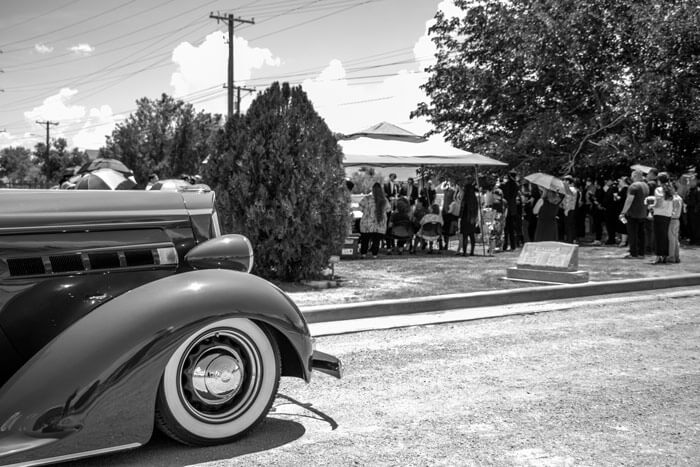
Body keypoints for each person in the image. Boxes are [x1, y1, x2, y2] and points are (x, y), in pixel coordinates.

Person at [619, 170, 649, 259]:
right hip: (643, 213)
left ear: (635, 175)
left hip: (633, 213)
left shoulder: (633, 186)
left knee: (633, 234)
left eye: (632, 176)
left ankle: (633, 253)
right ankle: (641, 253)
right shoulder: (646, 185)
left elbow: (629, 200)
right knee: (641, 234)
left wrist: (623, 212)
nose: (631, 178)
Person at [359, 182, 391, 258]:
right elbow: (388, 210)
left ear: (372, 190)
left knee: (365, 240)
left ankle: (363, 254)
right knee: (376, 240)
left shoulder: (366, 198)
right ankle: (374, 255)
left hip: (366, 224)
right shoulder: (384, 200)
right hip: (379, 224)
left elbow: (360, 208)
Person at [650, 172, 674, 264]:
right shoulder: (671, 189)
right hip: (668, 214)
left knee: (658, 236)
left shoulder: (659, 189)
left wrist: (651, 206)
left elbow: (659, 203)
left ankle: (658, 257)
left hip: (659, 214)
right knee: (664, 236)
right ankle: (664, 256)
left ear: (659, 180)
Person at [458, 175, 480, 256]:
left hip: (465, 217)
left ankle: (464, 252)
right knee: (471, 235)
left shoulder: (466, 196)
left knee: (465, 235)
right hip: (472, 218)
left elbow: (462, 207)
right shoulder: (474, 198)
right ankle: (472, 252)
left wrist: (460, 216)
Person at [501, 170, 519, 251]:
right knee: (512, 228)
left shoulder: (506, 184)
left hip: (506, 207)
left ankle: (505, 245)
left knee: (506, 228)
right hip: (513, 207)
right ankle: (513, 245)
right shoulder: (516, 185)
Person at [668, 185, 684, 263]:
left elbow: (673, 210)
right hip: (677, 219)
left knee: (671, 239)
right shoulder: (679, 198)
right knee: (675, 239)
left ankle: (671, 257)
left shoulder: (673, 199)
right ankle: (676, 256)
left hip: (672, 219)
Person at [440, 179, 457, 250]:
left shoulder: (453, 191)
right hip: (444, 211)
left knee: (447, 229)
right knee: (443, 229)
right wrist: (445, 183)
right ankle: (443, 244)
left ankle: (446, 244)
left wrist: (448, 184)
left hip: (449, 212)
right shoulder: (445, 190)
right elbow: (442, 187)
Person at [561, 175, 578, 243]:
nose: (563, 182)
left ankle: (570, 240)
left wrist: (566, 210)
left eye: (564, 180)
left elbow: (569, 200)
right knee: (569, 225)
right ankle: (570, 239)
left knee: (569, 226)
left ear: (568, 181)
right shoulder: (571, 189)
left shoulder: (571, 189)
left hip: (569, 209)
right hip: (569, 209)